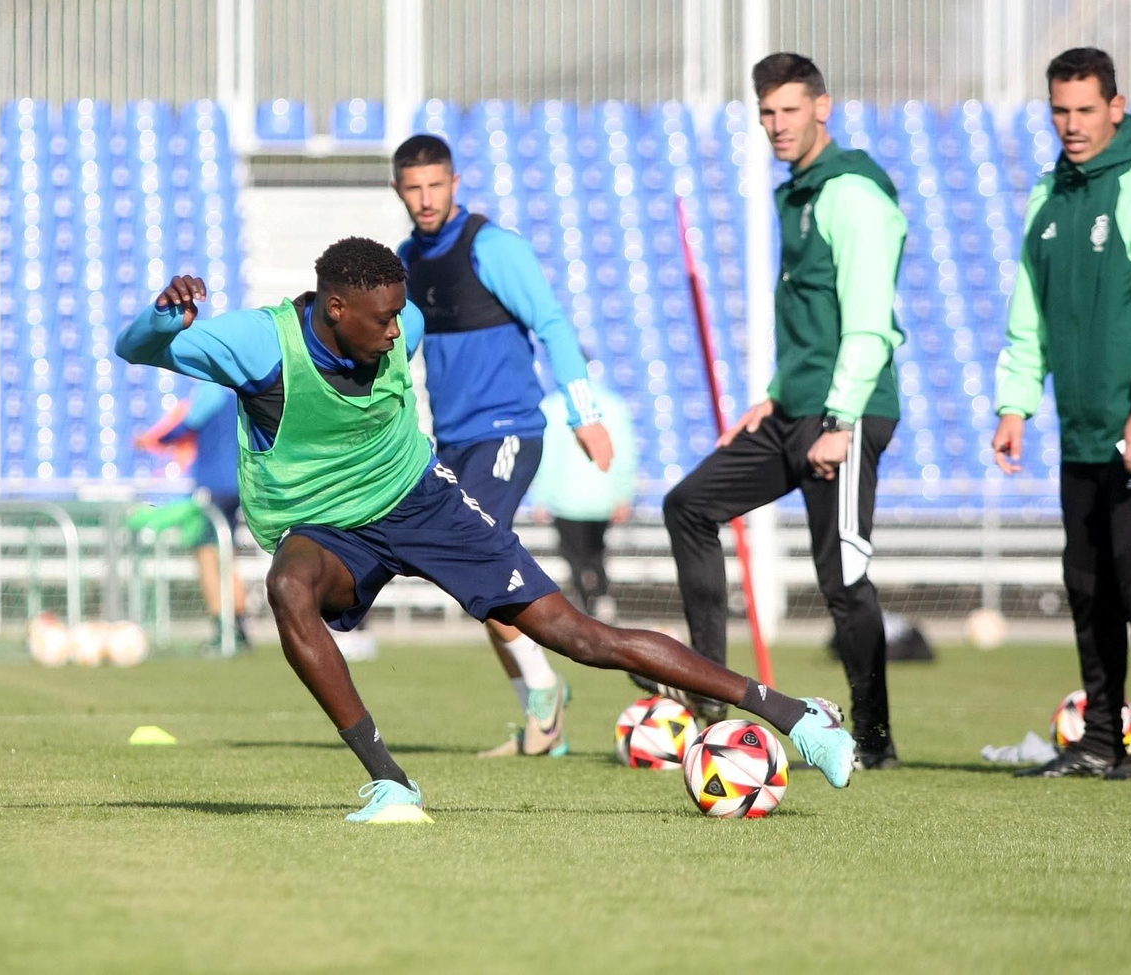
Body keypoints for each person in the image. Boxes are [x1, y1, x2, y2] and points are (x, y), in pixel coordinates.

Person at [115, 238, 856, 823]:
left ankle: (798, 717)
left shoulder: (399, 323)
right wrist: (161, 315)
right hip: (326, 528)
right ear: (334, 308)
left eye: (402, 313)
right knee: (288, 586)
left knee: (580, 637)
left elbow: (411, 327)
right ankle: (391, 782)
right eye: (381, 319)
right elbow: (137, 350)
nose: (398, 330)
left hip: (422, 503)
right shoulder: (258, 343)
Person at [661, 52, 908, 768]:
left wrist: (837, 423)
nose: (776, 125)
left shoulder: (853, 194)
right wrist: (774, 392)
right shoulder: (797, 193)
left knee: (844, 582)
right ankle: (707, 689)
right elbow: (812, 319)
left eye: (789, 110)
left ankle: (874, 740)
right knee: (690, 504)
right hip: (794, 407)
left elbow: (867, 323)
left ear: (822, 108)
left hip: (846, 414)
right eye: (766, 112)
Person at [994, 47, 1131, 783]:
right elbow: (1031, 314)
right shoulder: (1046, 199)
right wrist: (1016, 402)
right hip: (1081, 430)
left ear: (1117, 107)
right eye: (1060, 110)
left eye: (1086, 109)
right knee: (1088, 583)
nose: (1072, 124)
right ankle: (1096, 737)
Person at [392, 134, 614, 757]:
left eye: (436, 184)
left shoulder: (494, 248)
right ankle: (542, 723)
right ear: (399, 191)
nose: (426, 197)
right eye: (414, 187)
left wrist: (585, 414)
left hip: (507, 432)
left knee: (478, 561)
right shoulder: (408, 259)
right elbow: (399, 348)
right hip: (452, 442)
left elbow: (551, 323)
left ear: (455, 183)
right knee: (473, 577)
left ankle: (549, 695)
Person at [133, 382, 249, 649]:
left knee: (207, 556)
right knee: (227, 556)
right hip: (238, 483)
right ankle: (241, 630)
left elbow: (185, 425)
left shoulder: (212, 391)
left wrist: (151, 440)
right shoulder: (240, 391)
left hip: (214, 485)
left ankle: (223, 632)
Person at [530, 380, 639, 623]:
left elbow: (546, 455)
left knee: (574, 557)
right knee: (597, 553)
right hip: (603, 497)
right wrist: (623, 495)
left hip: (566, 499)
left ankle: (586, 605)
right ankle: (601, 599)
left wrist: (541, 497)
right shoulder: (613, 403)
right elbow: (625, 451)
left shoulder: (553, 405)